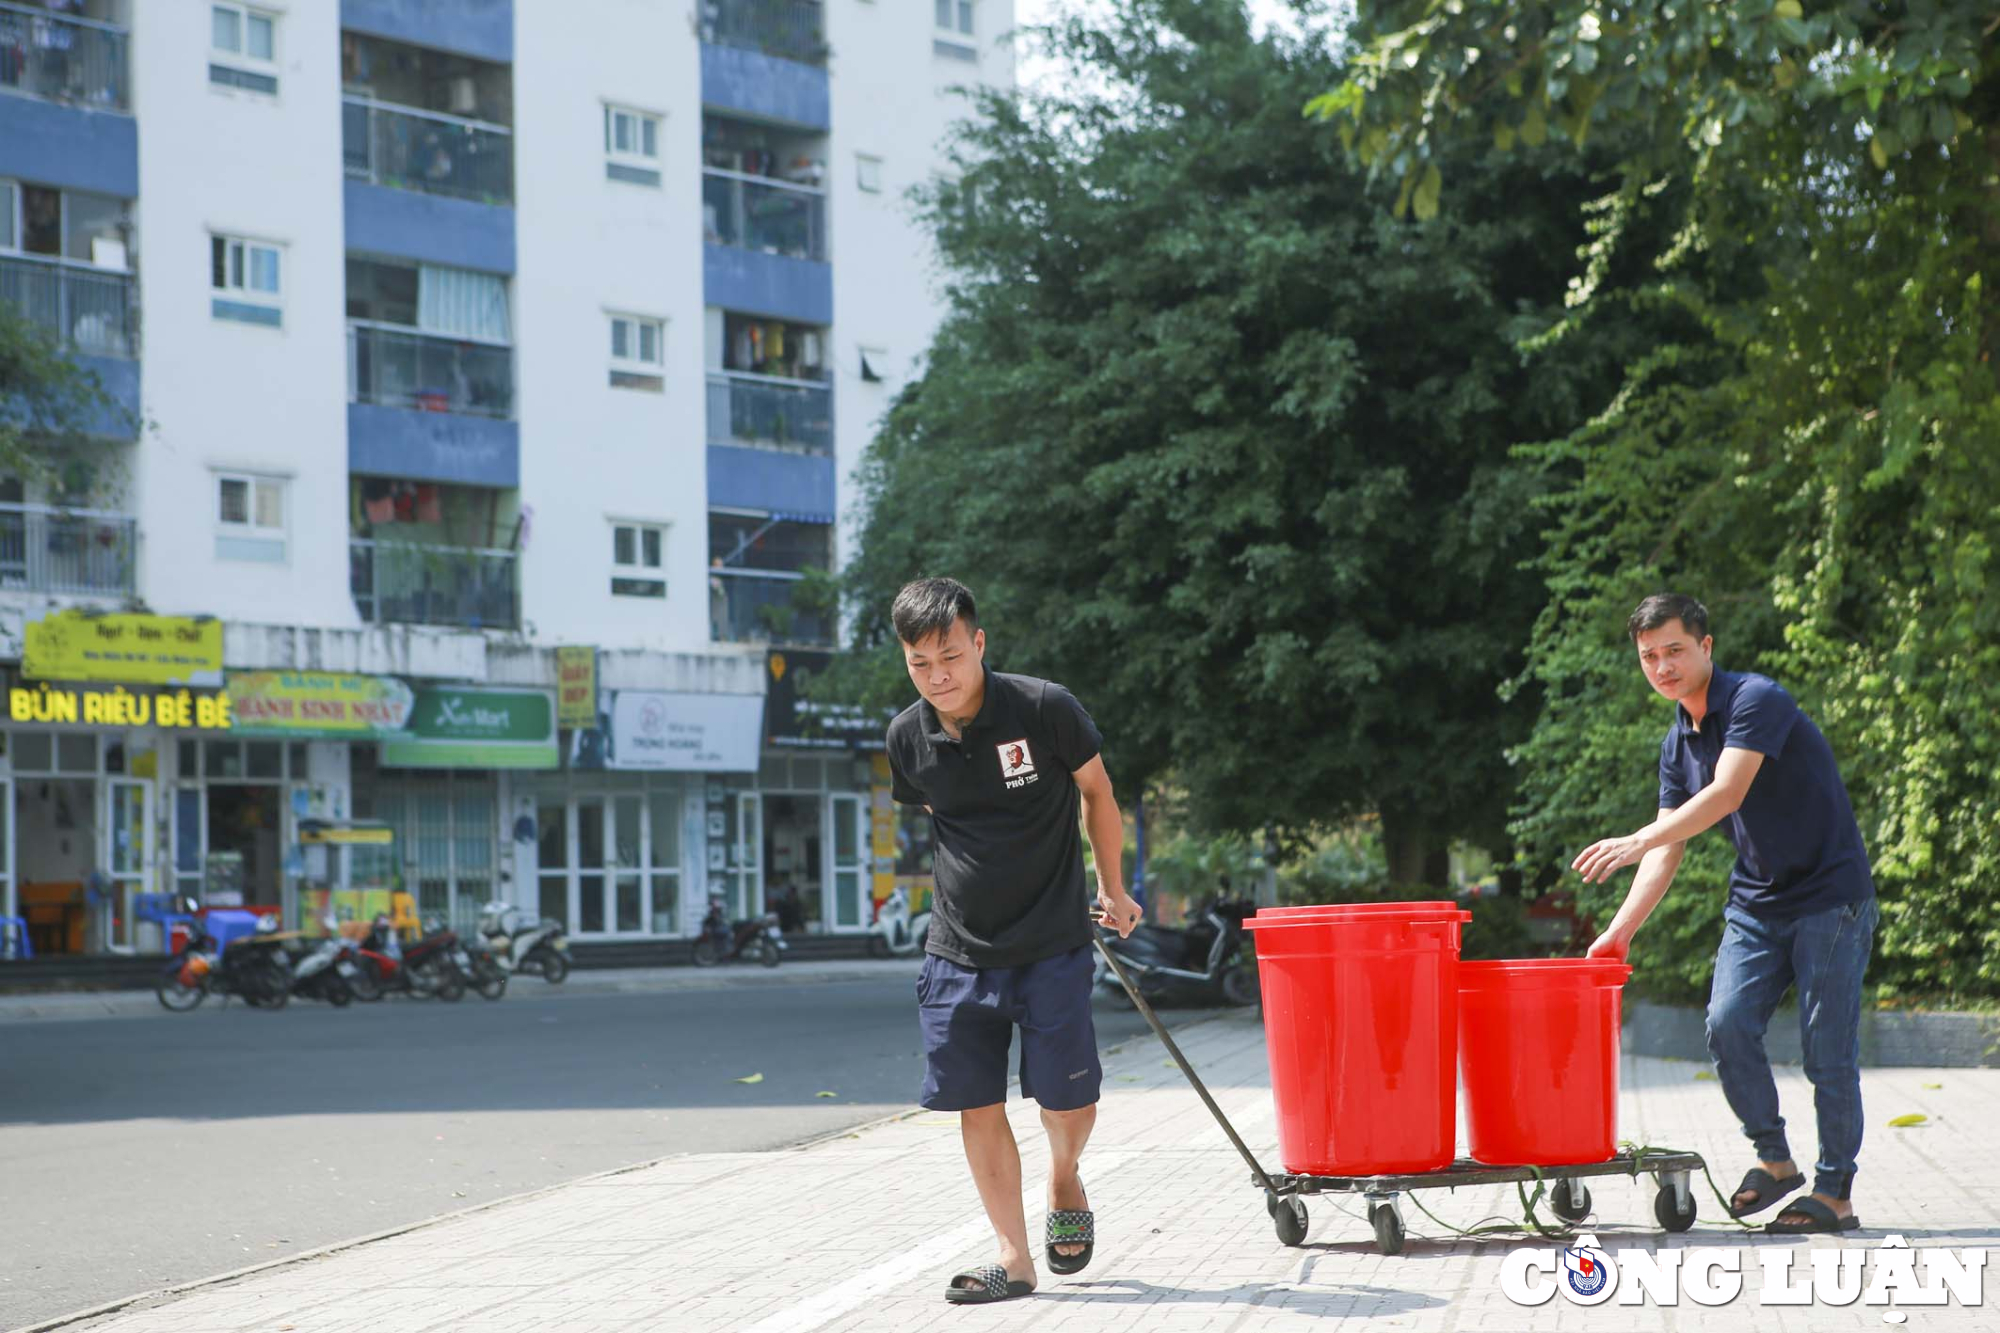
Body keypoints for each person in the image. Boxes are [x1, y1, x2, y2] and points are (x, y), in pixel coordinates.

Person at [1575, 593, 1878, 1235]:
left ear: (1706, 647)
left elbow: (1727, 792)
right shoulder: (1676, 742)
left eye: (1674, 651)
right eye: (1649, 656)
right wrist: (1619, 931)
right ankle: (1775, 1162)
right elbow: (1670, 846)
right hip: (1757, 903)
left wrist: (1636, 839)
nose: (1662, 666)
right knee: (1727, 1023)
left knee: (1827, 1050)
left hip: (1830, 896)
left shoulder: (1756, 700)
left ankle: (1835, 1195)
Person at [882, 576, 1141, 1305]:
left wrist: (1112, 886)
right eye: (919, 662)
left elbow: (1098, 792)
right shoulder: (907, 736)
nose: (938, 676)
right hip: (956, 949)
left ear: (979, 643)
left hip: (1053, 939)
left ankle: (1064, 1173)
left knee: (1066, 1102)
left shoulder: (1044, 709)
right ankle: (1014, 1256)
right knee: (975, 1100)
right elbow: (948, 819)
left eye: (950, 656)